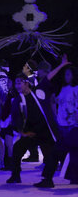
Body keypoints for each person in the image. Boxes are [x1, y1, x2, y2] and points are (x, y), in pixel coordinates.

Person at [5, 73, 61, 188]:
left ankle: (48, 179)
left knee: (53, 154)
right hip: (32, 132)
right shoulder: (18, 100)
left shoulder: (38, 92)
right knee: (17, 149)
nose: (17, 86)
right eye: (16, 83)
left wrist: (62, 64)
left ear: (26, 83)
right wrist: (22, 133)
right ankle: (15, 175)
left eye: (19, 82)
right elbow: (16, 119)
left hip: (47, 131)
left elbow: (48, 78)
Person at [46, 56, 76, 184]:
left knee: (69, 151)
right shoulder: (63, 89)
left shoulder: (76, 89)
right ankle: (69, 174)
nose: (66, 76)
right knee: (65, 150)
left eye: (69, 74)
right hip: (61, 123)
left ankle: (69, 174)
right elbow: (58, 102)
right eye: (65, 74)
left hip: (72, 124)